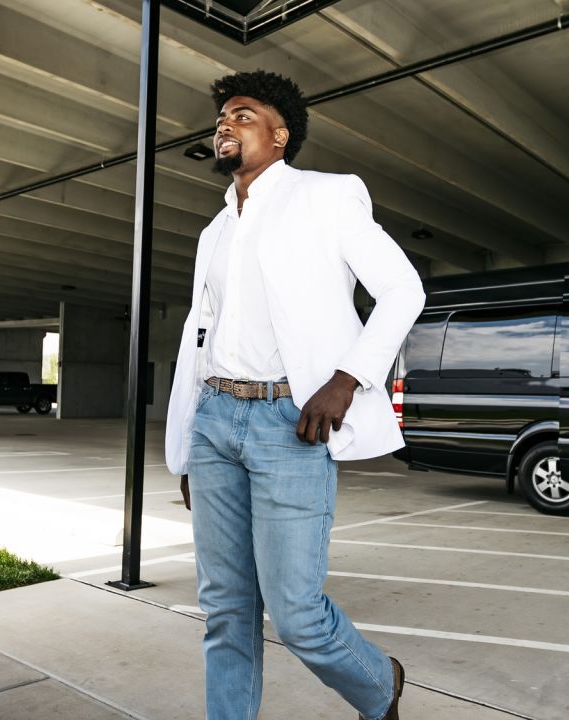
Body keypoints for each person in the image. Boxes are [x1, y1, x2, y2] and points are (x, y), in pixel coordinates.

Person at [164, 70, 424, 720]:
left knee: (297, 613)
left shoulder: (328, 198)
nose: (224, 124)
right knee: (225, 610)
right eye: (221, 116)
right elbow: (202, 340)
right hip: (216, 421)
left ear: (280, 135)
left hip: (292, 422)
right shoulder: (214, 233)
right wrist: (187, 451)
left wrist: (346, 378)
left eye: (242, 114)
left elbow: (403, 290)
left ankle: (378, 684)